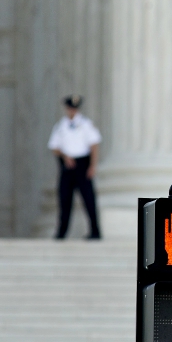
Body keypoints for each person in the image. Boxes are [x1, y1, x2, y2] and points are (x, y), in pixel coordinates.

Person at [47, 95, 102, 240]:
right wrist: (65, 156)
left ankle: (95, 231)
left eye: (75, 108)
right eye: (70, 108)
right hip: (67, 165)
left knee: (89, 199)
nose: (72, 111)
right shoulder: (60, 126)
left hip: (83, 165)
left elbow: (94, 145)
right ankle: (61, 233)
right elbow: (54, 147)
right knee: (65, 200)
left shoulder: (86, 124)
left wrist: (92, 166)